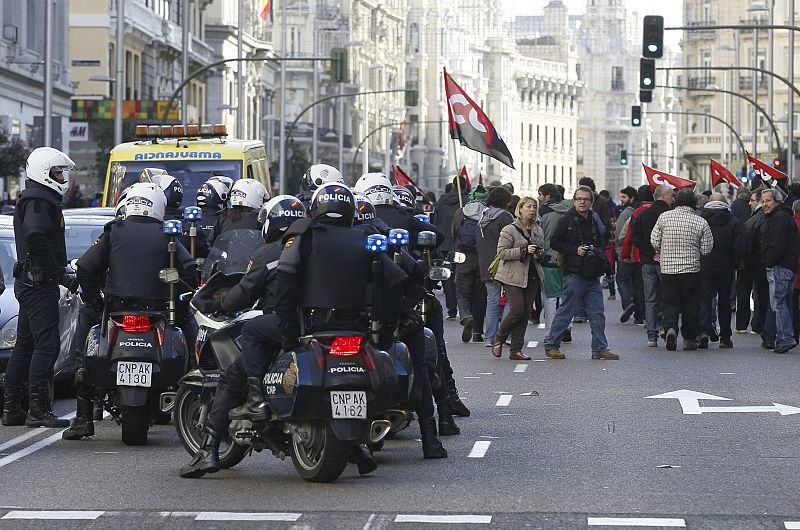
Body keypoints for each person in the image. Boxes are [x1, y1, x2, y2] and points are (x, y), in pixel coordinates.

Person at [275, 183, 448, 459]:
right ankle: (431, 436)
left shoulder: (304, 236)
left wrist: (287, 330)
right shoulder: (366, 237)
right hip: (364, 326)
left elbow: (284, 283)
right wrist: (390, 325)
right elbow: (401, 279)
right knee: (421, 365)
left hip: (316, 326)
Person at [180, 195, 307, 478]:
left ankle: (211, 447)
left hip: (279, 327)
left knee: (233, 373)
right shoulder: (314, 248)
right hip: (314, 327)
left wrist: (220, 305)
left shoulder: (270, 253)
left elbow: (246, 291)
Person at [63, 183, 198, 439]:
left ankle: (83, 418)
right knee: (192, 346)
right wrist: (179, 301)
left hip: (116, 310)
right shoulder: (166, 233)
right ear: (158, 205)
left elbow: (85, 268)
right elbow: (190, 268)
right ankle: (198, 401)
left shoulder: (114, 231)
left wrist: (96, 303)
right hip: (158, 310)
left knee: (83, 354)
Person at [2, 148, 77, 428]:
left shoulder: (33, 198)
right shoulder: (39, 201)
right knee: (47, 345)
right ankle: (37, 409)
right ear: (44, 172)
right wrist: (58, 272)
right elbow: (35, 235)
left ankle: (12, 409)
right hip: (38, 283)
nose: (61, 177)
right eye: (58, 172)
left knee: (25, 344)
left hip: (29, 281)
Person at [543, 186, 619, 360]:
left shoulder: (594, 219)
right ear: (574, 200)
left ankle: (600, 348)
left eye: (586, 199)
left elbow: (600, 247)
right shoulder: (567, 219)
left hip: (592, 275)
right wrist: (574, 250)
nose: (582, 202)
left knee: (597, 313)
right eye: (579, 199)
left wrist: (608, 270)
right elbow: (555, 242)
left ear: (591, 202)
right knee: (566, 311)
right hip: (574, 274)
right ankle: (552, 345)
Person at [650, 189, 714, 351]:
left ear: (676, 201)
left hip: (668, 269)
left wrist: (662, 251)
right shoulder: (700, 221)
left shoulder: (664, 217)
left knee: (670, 303)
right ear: (693, 202)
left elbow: (654, 240)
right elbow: (707, 248)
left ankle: (671, 328)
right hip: (691, 269)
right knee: (690, 305)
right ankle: (689, 338)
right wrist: (695, 252)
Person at [491, 197, 545, 361]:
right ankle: (499, 337)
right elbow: (502, 253)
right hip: (512, 276)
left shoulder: (538, 230)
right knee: (517, 310)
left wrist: (539, 253)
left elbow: (541, 251)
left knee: (525, 314)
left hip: (532, 275)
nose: (532, 210)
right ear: (520, 209)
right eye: (528, 206)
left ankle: (516, 350)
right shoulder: (509, 229)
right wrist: (523, 250)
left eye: (534, 207)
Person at [630, 185, 674, 347]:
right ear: (663, 196)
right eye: (671, 195)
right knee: (668, 296)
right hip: (666, 261)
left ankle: (652, 335)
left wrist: (649, 253)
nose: (673, 199)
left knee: (650, 298)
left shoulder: (643, 214)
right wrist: (659, 253)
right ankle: (666, 326)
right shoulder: (669, 215)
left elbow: (635, 237)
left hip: (647, 262)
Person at [698, 194, 743, 349]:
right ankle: (725, 337)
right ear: (725, 204)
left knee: (704, 300)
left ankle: (703, 331)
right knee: (724, 302)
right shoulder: (734, 222)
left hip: (704, 266)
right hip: (726, 268)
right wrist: (734, 264)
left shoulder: (701, 220)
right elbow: (738, 248)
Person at [761, 187, 800, 353]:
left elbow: (776, 244)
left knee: (779, 303)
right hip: (787, 265)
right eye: (763, 201)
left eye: (768, 201)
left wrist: (768, 262)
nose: (764, 205)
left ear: (776, 201)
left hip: (780, 266)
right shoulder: (782, 217)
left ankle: (786, 338)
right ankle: (785, 337)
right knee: (784, 303)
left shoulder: (779, 219)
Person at [477, 186, 514, 348]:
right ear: (506, 201)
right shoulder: (505, 217)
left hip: (485, 263)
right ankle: (504, 335)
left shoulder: (482, 216)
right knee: (511, 301)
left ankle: (489, 338)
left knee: (492, 301)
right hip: (504, 262)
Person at [537, 184, 572, 343]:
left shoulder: (542, 213)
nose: (538, 198)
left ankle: (551, 331)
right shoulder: (571, 210)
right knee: (567, 295)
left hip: (548, 259)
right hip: (570, 259)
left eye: (540, 194)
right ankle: (567, 326)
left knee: (550, 297)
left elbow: (538, 236)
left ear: (547, 195)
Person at [451, 196, 487, 343]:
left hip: (462, 257)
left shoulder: (460, 212)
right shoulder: (487, 213)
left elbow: (453, 234)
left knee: (462, 292)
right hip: (481, 258)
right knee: (480, 296)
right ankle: (478, 333)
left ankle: (465, 315)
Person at [432, 176, 469, 319]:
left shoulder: (441, 201)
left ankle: (451, 309)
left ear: (453, 185)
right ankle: (465, 310)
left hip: (443, 245)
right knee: (462, 278)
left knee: (447, 277)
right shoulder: (466, 202)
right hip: (460, 245)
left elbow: (434, 222)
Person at [743, 188, 774, 346]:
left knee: (763, 300)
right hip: (768, 264)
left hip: (759, 266)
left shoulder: (754, 221)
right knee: (773, 301)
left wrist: (749, 267)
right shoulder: (779, 218)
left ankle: (767, 335)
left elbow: (747, 247)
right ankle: (771, 334)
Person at [209, 179, 267, 246]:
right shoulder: (259, 219)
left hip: (227, 256)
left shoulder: (223, 216)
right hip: (251, 256)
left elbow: (211, 243)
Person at [615, 186, 638, 322]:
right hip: (636, 254)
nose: (621, 200)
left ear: (632, 198)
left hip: (625, 252)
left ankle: (627, 303)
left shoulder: (625, 213)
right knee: (634, 282)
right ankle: (637, 309)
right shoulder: (638, 211)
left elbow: (619, 236)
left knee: (622, 280)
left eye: (624, 197)